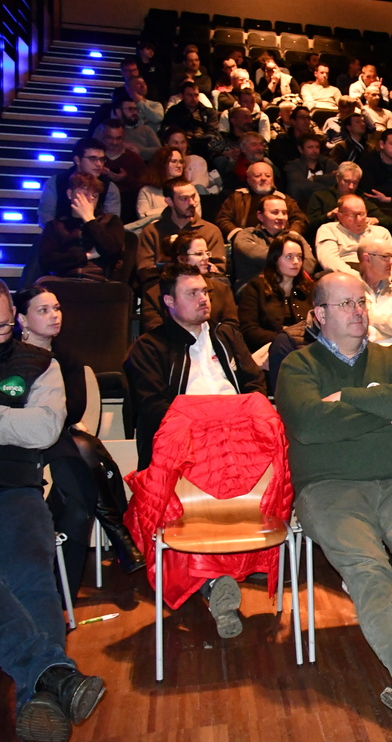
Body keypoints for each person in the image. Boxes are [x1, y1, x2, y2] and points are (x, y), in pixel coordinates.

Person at [274, 272, 392, 737]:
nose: (358, 311)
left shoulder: (391, 357)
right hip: (328, 488)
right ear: (319, 315)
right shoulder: (298, 366)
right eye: (344, 305)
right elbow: (310, 425)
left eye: (360, 302)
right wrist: (382, 409)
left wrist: (348, 400)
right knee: (368, 568)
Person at [0, 282, 108, 742]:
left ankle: (37, 697)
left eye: (3, 324)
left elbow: (44, 428)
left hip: (15, 487)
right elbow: (24, 424)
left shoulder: (40, 363)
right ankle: (52, 676)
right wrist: (9, 420)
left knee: (33, 569)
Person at [15, 286, 144, 596]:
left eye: (56, 308)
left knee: (77, 504)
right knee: (84, 447)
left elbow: (73, 408)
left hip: (59, 441)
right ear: (21, 318)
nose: (54, 315)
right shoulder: (10, 358)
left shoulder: (67, 357)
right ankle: (120, 534)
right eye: (43, 310)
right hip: (20, 445)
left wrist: (44, 414)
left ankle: (63, 595)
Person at [125, 264, 266, 469]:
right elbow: (155, 410)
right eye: (192, 293)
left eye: (205, 291)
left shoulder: (226, 335)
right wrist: (208, 426)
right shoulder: (149, 348)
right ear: (169, 301)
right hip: (184, 448)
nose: (203, 298)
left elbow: (255, 385)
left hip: (239, 439)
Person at [237, 232, 315, 361]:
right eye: (289, 257)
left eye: (299, 257)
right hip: (268, 349)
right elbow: (249, 330)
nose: (296, 262)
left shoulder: (309, 288)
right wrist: (284, 338)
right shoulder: (257, 287)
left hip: (306, 350)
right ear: (275, 259)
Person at [140, 231, 238, 332]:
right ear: (182, 259)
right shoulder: (154, 294)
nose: (206, 258)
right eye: (199, 254)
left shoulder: (221, 289)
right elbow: (154, 330)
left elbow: (231, 326)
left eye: (207, 253)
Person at [39, 172, 126, 281]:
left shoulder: (111, 221)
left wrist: (89, 219)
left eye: (95, 196)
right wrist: (86, 256)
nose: (90, 199)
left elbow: (114, 252)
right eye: (85, 194)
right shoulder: (56, 225)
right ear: (70, 194)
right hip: (64, 282)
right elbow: (47, 262)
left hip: (100, 282)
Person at [230, 196, 317, 293]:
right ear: (260, 216)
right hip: (253, 289)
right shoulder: (246, 235)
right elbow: (250, 254)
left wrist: (280, 259)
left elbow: (309, 265)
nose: (281, 217)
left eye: (284, 213)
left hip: (292, 288)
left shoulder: (295, 238)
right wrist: (288, 258)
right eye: (275, 212)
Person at [315, 194, 392, 274]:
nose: (359, 219)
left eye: (362, 214)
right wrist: (358, 278)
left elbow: (391, 263)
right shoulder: (328, 230)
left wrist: (380, 280)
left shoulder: (381, 232)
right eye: (352, 215)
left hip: (376, 275)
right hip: (342, 274)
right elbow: (330, 261)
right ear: (339, 216)